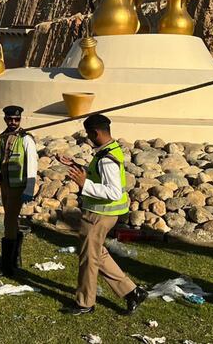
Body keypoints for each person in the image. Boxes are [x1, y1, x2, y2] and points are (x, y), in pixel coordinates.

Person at [64, 114, 147, 316]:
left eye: (89, 134)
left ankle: (85, 303)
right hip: (100, 213)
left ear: (96, 132)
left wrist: (85, 185)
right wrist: (76, 166)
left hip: (98, 215)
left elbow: (113, 191)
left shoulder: (107, 159)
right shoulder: (109, 150)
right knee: (96, 253)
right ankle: (131, 292)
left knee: (88, 259)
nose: (88, 138)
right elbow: (97, 176)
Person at [0, 105, 38, 277]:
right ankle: (14, 260)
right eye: (10, 119)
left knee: (9, 223)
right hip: (5, 184)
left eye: (16, 119)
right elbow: (1, 158)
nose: (13, 122)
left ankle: (7, 266)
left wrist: (29, 188)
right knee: (11, 222)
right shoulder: (5, 136)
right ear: (5, 119)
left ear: (20, 120)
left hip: (17, 187)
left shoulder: (26, 139)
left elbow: (32, 164)